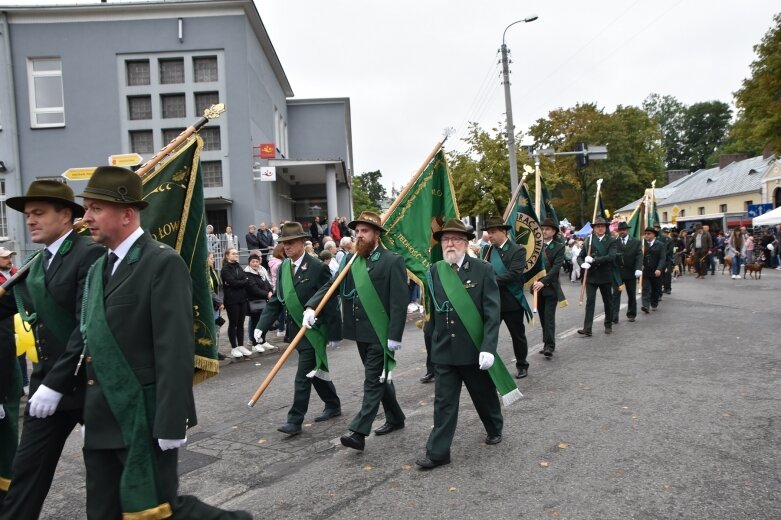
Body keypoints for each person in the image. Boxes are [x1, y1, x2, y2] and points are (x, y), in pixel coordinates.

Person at [37, 166, 251, 519]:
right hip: (103, 418)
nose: (85, 217)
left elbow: (174, 348)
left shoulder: (161, 263)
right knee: (104, 512)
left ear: (126, 214)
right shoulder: (96, 270)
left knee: (156, 512)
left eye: (95, 208)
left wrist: (172, 418)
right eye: (86, 207)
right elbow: (88, 339)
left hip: (144, 416)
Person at [0, 180, 104, 519]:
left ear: (66, 215)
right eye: (28, 214)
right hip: (46, 389)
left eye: (39, 213)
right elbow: (9, 305)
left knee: (105, 482)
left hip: (90, 387)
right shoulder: (36, 263)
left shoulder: (90, 255)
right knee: (26, 474)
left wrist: (54, 385)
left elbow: (86, 326)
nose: (30, 220)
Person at [304, 211, 407, 452]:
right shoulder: (353, 260)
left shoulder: (392, 261)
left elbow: (399, 302)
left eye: (365, 231)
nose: (359, 235)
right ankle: (396, 417)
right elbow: (332, 286)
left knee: (372, 381)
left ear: (376, 234)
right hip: (360, 332)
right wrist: (312, 306)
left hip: (381, 334)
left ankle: (358, 432)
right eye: (357, 231)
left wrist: (394, 335)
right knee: (380, 379)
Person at [415, 219, 502, 469]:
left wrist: (488, 347)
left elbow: (492, 312)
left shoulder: (482, 270)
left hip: (473, 348)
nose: (449, 244)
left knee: (483, 395)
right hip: (444, 350)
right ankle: (438, 452)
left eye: (454, 239)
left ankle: (494, 425)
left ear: (465, 243)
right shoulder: (435, 270)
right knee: (443, 402)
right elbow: (434, 310)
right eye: (445, 240)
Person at [255, 222, 342, 436]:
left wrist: (334, 332)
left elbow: (329, 297)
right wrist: (261, 326)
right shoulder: (285, 267)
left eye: (291, 242)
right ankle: (333, 403)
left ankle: (294, 421)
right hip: (296, 331)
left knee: (302, 376)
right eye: (284, 243)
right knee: (313, 372)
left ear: (303, 242)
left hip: (313, 331)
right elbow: (277, 300)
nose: (286, 247)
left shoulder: (317, 267)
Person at [480, 216, 529, 379]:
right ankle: (484, 363)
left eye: (493, 232)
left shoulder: (518, 250)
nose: (489, 235)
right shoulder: (487, 250)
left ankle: (522, 364)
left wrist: (488, 281)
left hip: (511, 301)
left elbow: (514, 274)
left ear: (503, 231)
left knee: (517, 335)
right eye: (488, 232)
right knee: (486, 334)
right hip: (492, 301)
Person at [577, 217, 617, 337]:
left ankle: (608, 324)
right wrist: (582, 264)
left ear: (606, 228)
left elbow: (611, 257)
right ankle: (587, 328)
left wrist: (594, 260)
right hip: (591, 276)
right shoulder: (589, 240)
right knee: (590, 301)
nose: (600, 228)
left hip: (605, 276)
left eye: (602, 226)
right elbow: (580, 256)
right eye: (597, 226)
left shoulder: (611, 240)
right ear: (594, 228)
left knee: (608, 301)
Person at [532, 218, 567, 357]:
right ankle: (546, 342)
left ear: (553, 232)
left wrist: (544, 281)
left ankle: (549, 346)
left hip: (550, 287)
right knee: (542, 317)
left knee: (548, 317)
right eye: (542, 229)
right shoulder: (535, 246)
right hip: (536, 287)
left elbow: (556, 268)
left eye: (547, 229)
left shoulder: (559, 247)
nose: (544, 231)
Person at [221, 248, 255, 358]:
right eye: (233, 254)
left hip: (242, 299)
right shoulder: (225, 269)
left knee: (241, 323)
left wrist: (241, 282)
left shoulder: (238, 266)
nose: (236, 255)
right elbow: (233, 282)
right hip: (232, 300)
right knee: (233, 323)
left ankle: (241, 345)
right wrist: (243, 281)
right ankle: (234, 348)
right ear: (227, 256)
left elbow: (246, 279)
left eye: (237, 253)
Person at [611, 221, 643, 324]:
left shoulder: (636, 242)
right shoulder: (614, 242)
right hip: (617, 273)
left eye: (624, 229)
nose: (622, 231)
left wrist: (638, 268)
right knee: (615, 295)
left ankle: (631, 314)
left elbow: (639, 256)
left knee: (631, 295)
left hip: (630, 273)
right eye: (620, 230)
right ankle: (614, 316)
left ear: (627, 230)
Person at [245, 254, 273, 352]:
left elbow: (267, 283)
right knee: (255, 322)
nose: (255, 263)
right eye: (253, 261)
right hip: (254, 301)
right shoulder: (248, 274)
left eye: (257, 261)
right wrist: (267, 294)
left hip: (264, 300)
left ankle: (263, 340)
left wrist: (270, 291)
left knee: (263, 321)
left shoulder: (261, 271)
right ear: (249, 263)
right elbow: (254, 289)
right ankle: (254, 343)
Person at [641, 227, 666, 312]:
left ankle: (654, 303)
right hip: (646, 270)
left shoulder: (660, 245)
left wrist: (659, 269)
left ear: (654, 235)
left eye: (649, 234)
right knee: (645, 288)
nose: (646, 235)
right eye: (645, 233)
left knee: (656, 289)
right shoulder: (643, 244)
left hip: (656, 271)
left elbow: (662, 258)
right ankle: (645, 306)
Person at [207, 252, 226, 361]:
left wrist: (221, 301)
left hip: (217, 305)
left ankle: (215, 350)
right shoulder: (204, 273)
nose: (213, 260)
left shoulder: (213, 271)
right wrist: (219, 302)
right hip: (212, 304)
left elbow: (219, 287)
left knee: (217, 328)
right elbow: (209, 290)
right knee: (212, 329)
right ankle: (211, 352)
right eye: (211, 258)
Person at [267, 244, 286, 338]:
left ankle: (280, 327)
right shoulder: (279, 263)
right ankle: (281, 328)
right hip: (280, 287)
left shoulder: (272, 261)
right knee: (282, 310)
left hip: (275, 286)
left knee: (280, 309)